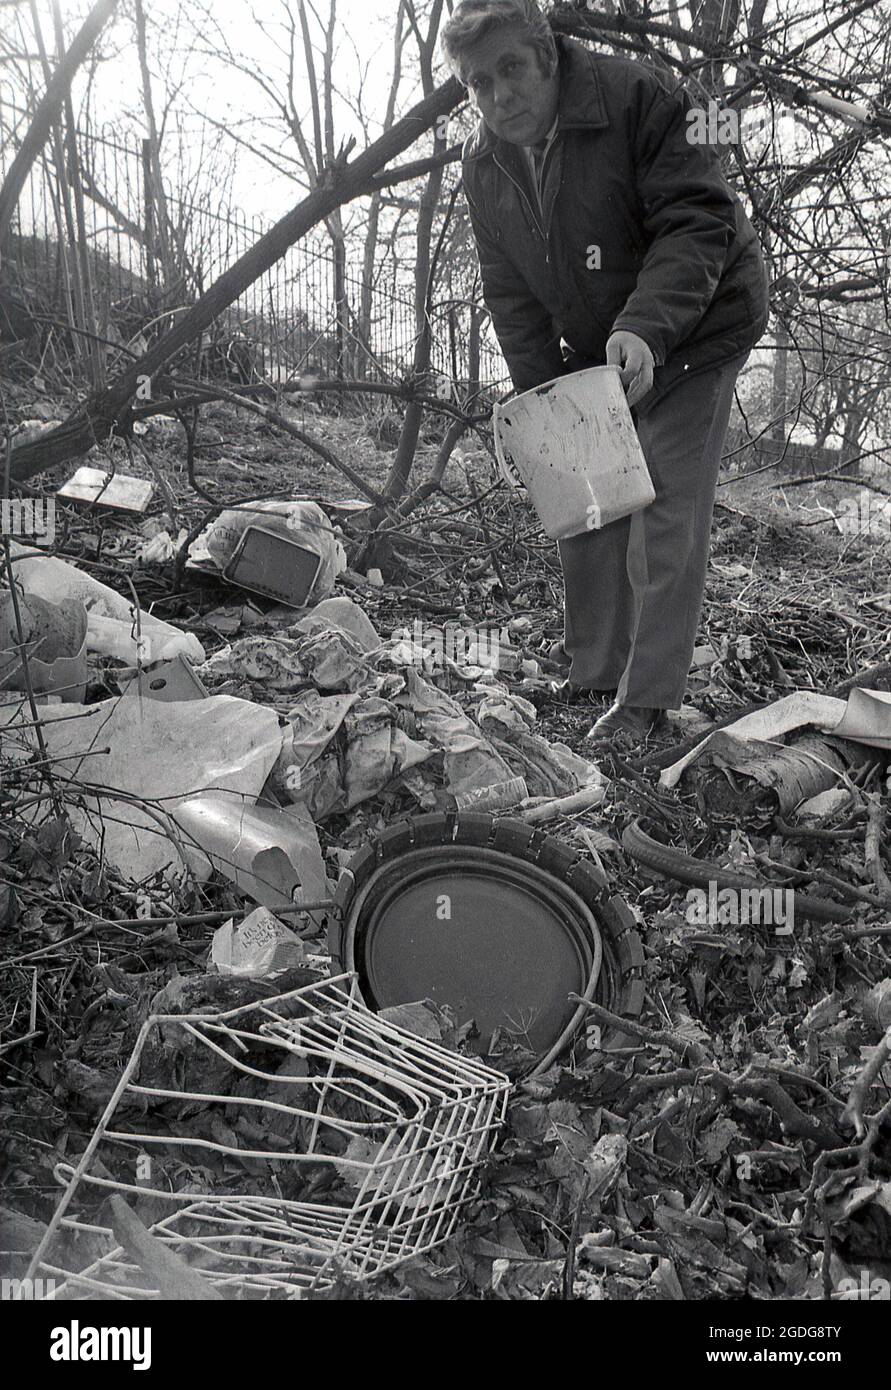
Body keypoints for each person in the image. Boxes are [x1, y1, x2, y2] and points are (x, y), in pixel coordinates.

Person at [441, 0, 769, 744]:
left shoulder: (642, 98)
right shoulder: (482, 164)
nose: (498, 98)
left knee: (657, 502)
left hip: (699, 319)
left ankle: (647, 700)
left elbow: (697, 220)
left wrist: (644, 328)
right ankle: (592, 669)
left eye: (510, 70)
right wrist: (541, 397)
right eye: (476, 83)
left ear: (547, 55)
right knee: (582, 490)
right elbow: (511, 289)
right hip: (599, 333)